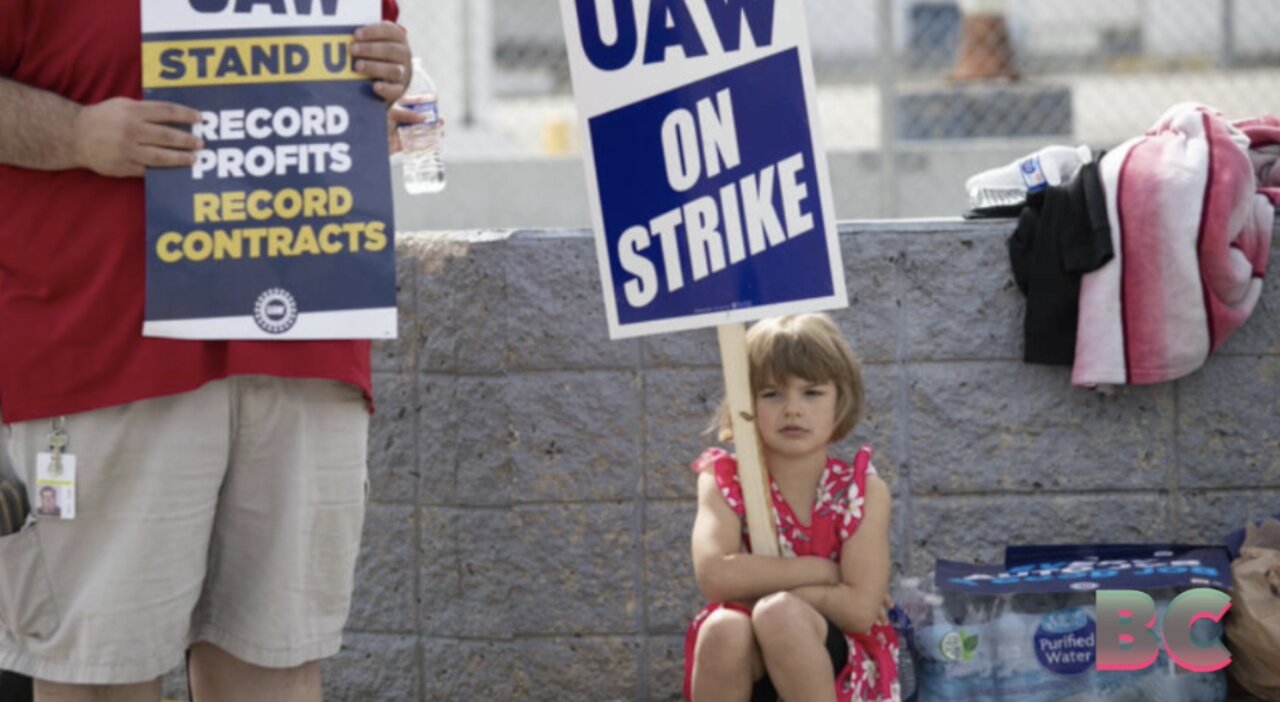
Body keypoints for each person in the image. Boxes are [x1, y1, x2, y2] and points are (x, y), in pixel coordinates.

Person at [0, 3, 412, 701]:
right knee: (101, 673)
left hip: (300, 344)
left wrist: (388, 77)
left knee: (274, 666)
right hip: (103, 352)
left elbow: (371, 93)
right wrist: (76, 133)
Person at [683, 314, 900, 702]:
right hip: (746, 653)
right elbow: (715, 576)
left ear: (840, 400)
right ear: (745, 403)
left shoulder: (862, 490)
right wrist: (823, 572)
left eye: (812, 393)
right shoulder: (723, 480)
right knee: (722, 629)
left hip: (836, 663)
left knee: (779, 616)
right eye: (772, 394)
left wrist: (763, 589)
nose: (793, 409)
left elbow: (859, 610)